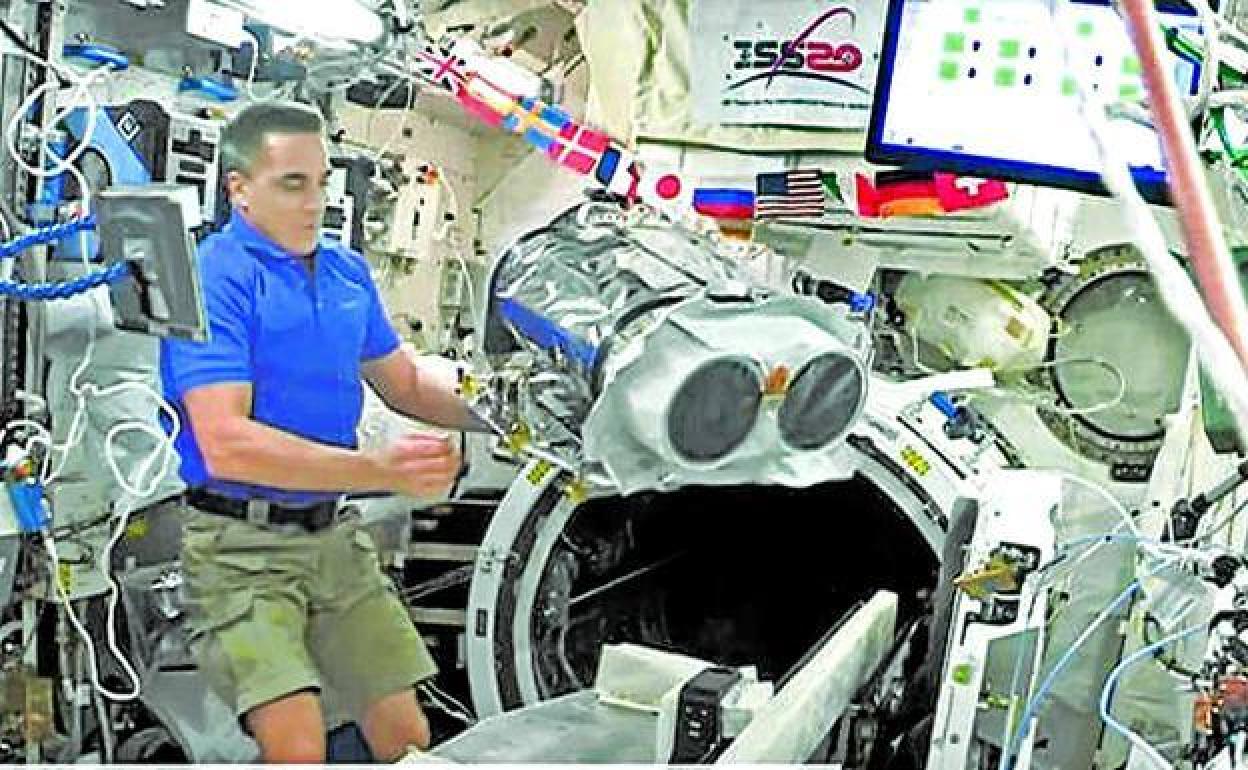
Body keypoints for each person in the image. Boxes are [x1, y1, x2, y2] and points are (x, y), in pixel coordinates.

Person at [160, 100, 476, 763]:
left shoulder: (345, 273)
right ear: (239, 189)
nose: (314, 203)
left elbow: (409, 386)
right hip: (239, 548)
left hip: (331, 537)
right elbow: (226, 439)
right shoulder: (213, 277)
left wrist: (518, 412)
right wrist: (382, 471)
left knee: (405, 737)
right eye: (292, 184)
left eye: (323, 181)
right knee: (296, 744)